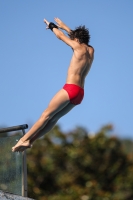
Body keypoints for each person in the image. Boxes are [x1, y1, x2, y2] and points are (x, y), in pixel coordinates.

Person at [12, 17, 94, 152]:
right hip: (80, 93)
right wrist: (65, 26)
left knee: (46, 115)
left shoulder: (77, 47)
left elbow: (60, 36)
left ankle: (24, 139)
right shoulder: (91, 50)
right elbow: (77, 38)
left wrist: (52, 27)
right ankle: (30, 141)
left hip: (70, 89)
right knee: (54, 119)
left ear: (77, 40)